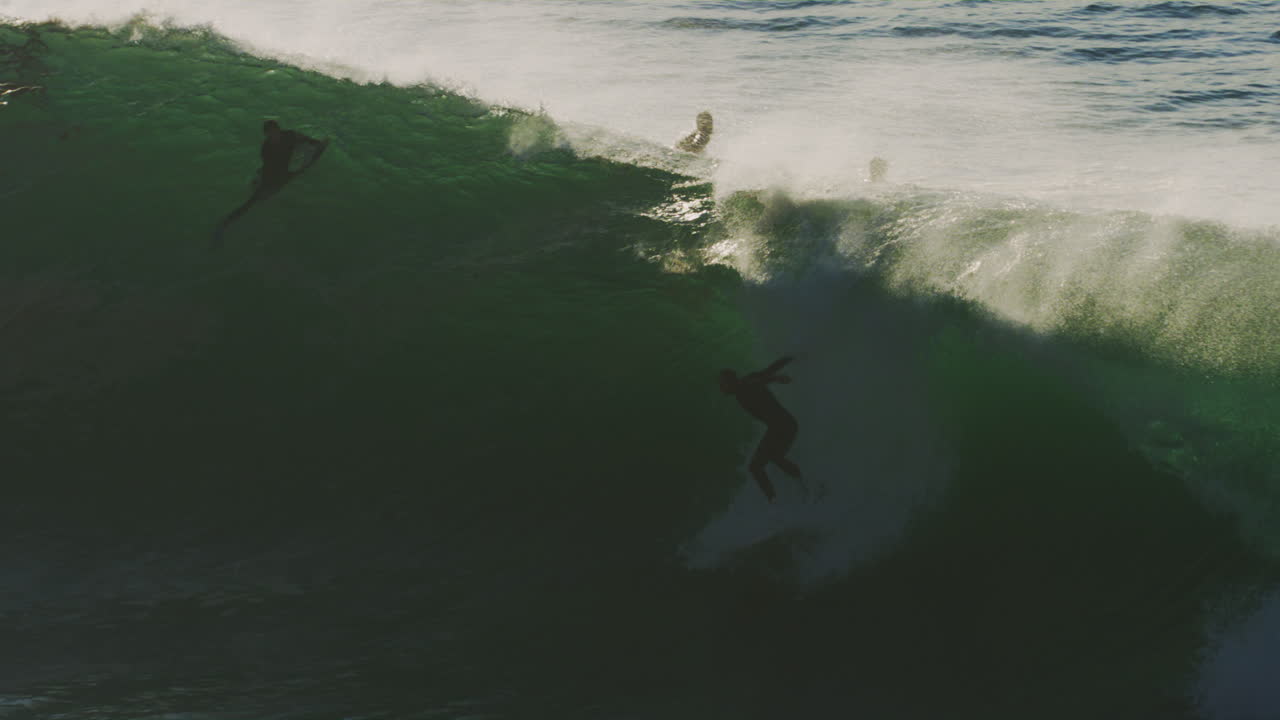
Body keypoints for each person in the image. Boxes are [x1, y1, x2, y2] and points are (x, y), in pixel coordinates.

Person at [213, 119, 328, 246]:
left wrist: (317, 144)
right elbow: (268, 168)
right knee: (254, 200)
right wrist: (268, 184)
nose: (273, 137)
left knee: (299, 161)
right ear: (266, 136)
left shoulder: (290, 135)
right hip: (272, 173)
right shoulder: (266, 148)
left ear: (279, 130)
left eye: (274, 133)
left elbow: (306, 139)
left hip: (283, 166)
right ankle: (225, 223)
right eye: (270, 135)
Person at [719, 356, 807, 502]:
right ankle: (802, 488)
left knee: (757, 466)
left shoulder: (744, 386)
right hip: (781, 426)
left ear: (730, 381)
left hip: (784, 425)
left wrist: (775, 379)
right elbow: (769, 370)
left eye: (722, 383)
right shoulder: (746, 384)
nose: (721, 387)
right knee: (770, 460)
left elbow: (757, 382)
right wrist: (789, 358)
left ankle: (776, 500)